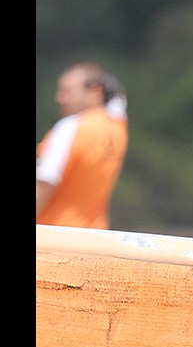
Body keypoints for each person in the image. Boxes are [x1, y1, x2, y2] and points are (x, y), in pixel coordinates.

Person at [36, 61, 129, 229]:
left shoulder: (70, 127)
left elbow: (45, 182)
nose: (59, 98)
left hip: (53, 234)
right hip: (92, 237)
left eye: (68, 91)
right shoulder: (117, 129)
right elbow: (119, 101)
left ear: (94, 92)